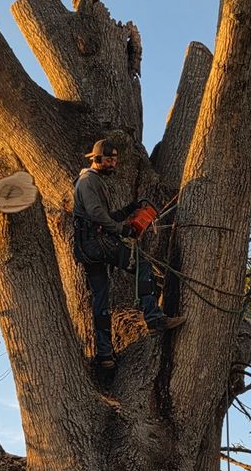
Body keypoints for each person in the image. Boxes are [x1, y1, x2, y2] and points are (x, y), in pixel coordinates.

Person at [73, 139, 184, 370]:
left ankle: (104, 355)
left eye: (115, 159)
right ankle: (154, 318)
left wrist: (129, 210)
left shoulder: (92, 181)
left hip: (89, 246)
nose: (113, 163)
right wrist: (122, 230)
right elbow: (96, 214)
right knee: (141, 265)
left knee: (101, 299)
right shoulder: (88, 180)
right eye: (109, 159)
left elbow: (104, 215)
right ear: (97, 159)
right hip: (96, 243)